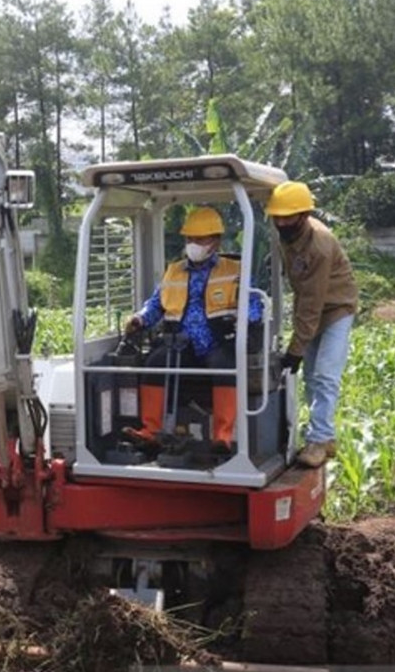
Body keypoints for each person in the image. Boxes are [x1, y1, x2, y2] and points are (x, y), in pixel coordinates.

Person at [125, 206, 263, 453]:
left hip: (218, 339)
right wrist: (140, 318)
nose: (193, 244)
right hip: (181, 341)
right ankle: (150, 432)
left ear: (216, 241)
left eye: (200, 239)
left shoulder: (234, 271)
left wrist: (245, 319)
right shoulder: (174, 271)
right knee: (154, 363)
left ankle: (222, 437)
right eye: (190, 239)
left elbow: (255, 304)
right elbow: (156, 304)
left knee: (224, 366)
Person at [265, 181, 359, 468]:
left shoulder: (320, 245)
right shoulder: (288, 236)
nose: (281, 222)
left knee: (325, 375)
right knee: (309, 379)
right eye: (277, 216)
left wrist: (295, 349)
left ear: (304, 215)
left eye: (287, 216)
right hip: (311, 308)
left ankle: (319, 440)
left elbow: (312, 302)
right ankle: (324, 435)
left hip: (336, 309)